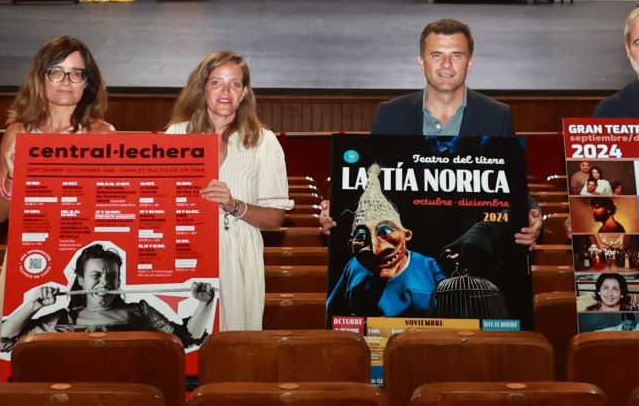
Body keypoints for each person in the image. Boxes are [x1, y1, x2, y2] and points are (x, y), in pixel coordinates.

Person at [320, 19, 543, 246]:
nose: (446, 65)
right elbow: (371, 180)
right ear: (421, 60)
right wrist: (337, 207)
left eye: (457, 55)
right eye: (436, 55)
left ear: (470, 62)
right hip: (410, 249)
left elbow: (508, 181)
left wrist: (532, 211)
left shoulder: (496, 116)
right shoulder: (391, 114)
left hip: (467, 251)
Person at [0, 36, 116, 346]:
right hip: (28, 260)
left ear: (88, 83)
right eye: (56, 71)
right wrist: (13, 181)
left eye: (76, 73)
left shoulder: (103, 134)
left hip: (83, 266)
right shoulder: (18, 133)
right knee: (16, 362)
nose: (66, 81)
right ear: (40, 78)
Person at [165, 50, 294, 331]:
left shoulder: (263, 142)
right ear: (202, 88)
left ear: (245, 92)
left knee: (236, 353)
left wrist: (234, 204)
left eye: (234, 84)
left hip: (240, 257)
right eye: (216, 83)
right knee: (186, 343)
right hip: (187, 255)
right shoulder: (176, 135)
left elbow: (275, 219)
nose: (225, 92)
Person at [0, 243, 215, 352]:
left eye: (112, 276)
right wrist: (33, 305)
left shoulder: (140, 313)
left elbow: (186, 339)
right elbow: (4, 340)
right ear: (81, 280)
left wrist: (205, 302)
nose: (105, 283)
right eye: (96, 275)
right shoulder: (60, 320)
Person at [327, 164, 446, 320]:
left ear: (406, 234)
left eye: (385, 232)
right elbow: (332, 314)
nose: (375, 250)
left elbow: (450, 312)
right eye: (361, 237)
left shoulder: (428, 266)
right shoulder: (353, 266)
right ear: (351, 244)